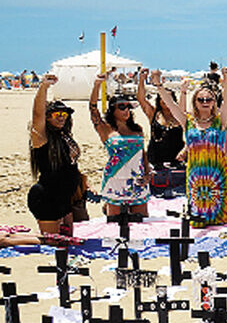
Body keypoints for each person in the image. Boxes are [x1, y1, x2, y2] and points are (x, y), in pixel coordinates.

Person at [151, 68, 227, 228]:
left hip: (218, 176)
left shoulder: (220, 121)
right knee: (197, 222)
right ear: (195, 102)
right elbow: (171, 105)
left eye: (209, 99)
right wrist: (158, 85)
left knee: (219, 222)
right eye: (201, 99)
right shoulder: (188, 121)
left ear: (214, 102)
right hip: (196, 177)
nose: (205, 102)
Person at [89, 71, 150, 217]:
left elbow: (143, 154)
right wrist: (97, 85)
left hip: (138, 179)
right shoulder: (106, 129)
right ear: (113, 110)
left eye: (128, 107)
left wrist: (148, 174)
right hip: (115, 179)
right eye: (122, 107)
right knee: (114, 223)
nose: (126, 110)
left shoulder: (137, 129)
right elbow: (92, 109)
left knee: (142, 221)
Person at [27, 74, 82, 234]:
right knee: (51, 240)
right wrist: (44, 86)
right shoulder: (41, 138)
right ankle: (6, 239)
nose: (61, 118)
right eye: (56, 114)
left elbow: (70, 166)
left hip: (64, 198)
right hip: (47, 198)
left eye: (64, 115)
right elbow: (37, 115)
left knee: (67, 240)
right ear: (47, 117)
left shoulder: (64, 137)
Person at [136, 68, 185, 196]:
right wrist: (141, 80)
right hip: (155, 160)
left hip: (176, 161)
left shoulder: (179, 116)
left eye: (168, 98)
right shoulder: (154, 114)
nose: (165, 101)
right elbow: (141, 99)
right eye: (163, 98)